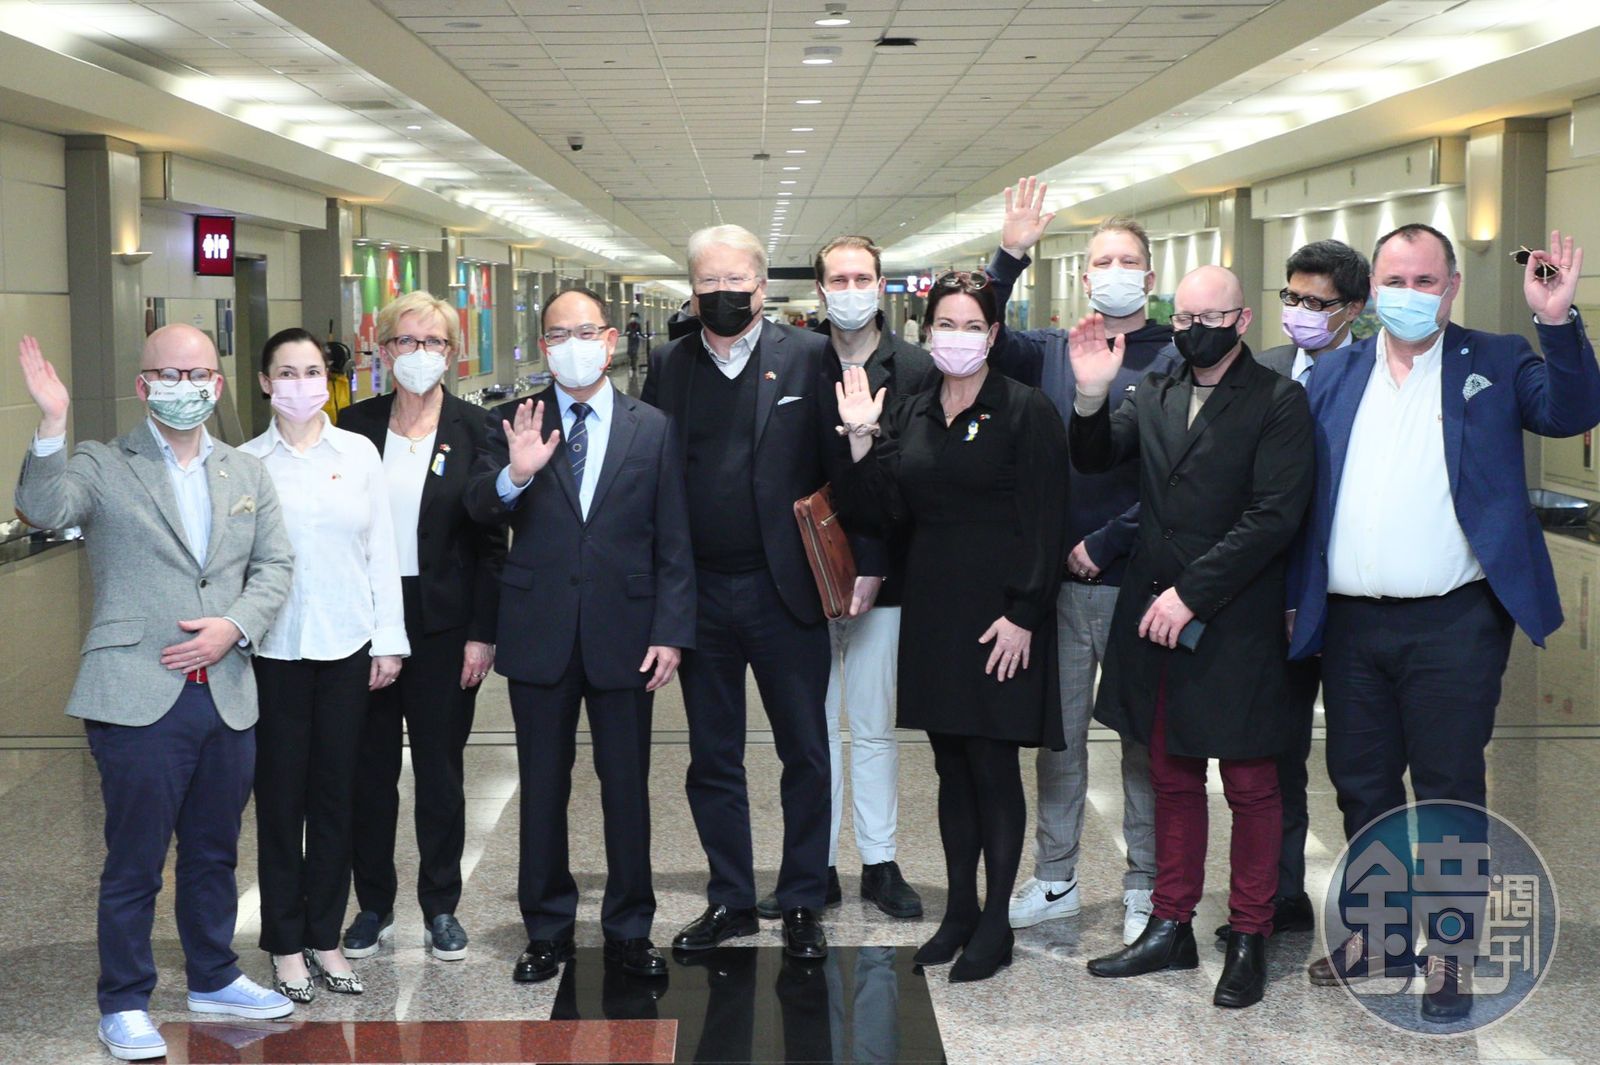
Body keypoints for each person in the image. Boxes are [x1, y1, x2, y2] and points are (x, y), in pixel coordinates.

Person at [1289, 227, 1600, 1020]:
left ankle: (1452, 954)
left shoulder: (1494, 360)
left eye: (1425, 280)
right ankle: (1381, 937)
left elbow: (1572, 410)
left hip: (1454, 623)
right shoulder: (1335, 373)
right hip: (1350, 625)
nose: (1409, 293)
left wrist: (1557, 321)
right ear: (1372, 289)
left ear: (1451, 287)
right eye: (1395, 279)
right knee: (1362, 785)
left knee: (1448, 787)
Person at [14, 326, 296, 1061]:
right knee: (135, 858)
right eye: (167, 373)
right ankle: (124, 999)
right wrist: (51, 421)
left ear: (218, 384)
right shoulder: (104, 463)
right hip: (137, 692)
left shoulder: (245, 471)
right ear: (143, 386)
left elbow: (274, 566)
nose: (184, 385)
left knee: (214, 850)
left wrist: (234, 625)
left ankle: (214, 975)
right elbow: (45, 508)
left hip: (225, 690)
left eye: (197, 373)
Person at [1073, 266, 1314, 1010]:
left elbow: (1273, 516)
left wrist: (1192, 594)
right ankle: (1170, 924)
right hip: (1155, 614)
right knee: (1171, 774)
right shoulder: (1156, 387)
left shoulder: (1277, 399)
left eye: (1210, 317)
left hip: (1234, 617)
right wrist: (1091, 395)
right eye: (1182, 318)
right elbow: (1097, 456)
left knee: (1250, 783)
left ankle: (1249, 932)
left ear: (1242, 321)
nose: (1194, 330)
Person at [641, 224, 881, 961]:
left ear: (762, 286)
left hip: (785, 591)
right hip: (701, 595)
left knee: (804, 748)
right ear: (691, 291)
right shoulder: (670, 364)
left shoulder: (808, 355)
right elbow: (649, 473)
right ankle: (731, 899)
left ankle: (804, 896)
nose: (723, 293)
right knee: (712, 757)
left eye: (736, 281)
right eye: (708, 283)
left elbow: (842, 471)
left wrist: (867, 554)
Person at [835, 270, 1068, 982]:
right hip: (934, 609)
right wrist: (861, 439)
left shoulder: (1025, 409)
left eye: (972, 326)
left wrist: (1024, 614)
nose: (957, 337)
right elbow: (884, 510)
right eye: (945, 324)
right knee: (950, 763)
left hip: (1002, 614)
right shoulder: (911, 410)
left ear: (993, 334)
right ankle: (960, 909)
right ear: (927, 330)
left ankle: (996, 921)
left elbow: (1048, 521)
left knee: (992, 763)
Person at [464, 288, 695, 984]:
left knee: (626, 786)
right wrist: (516, 473)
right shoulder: (512, 421)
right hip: (540, 632)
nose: (574, 345)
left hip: (626, 631)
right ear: (544, 346)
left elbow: (674, 537)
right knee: (541, 786)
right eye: (559, 334)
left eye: (586, 332)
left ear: (611, 340)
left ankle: (629, 927)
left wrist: (671, 630)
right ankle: (546, 928)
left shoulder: (652, 427)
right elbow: (476, 509)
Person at [984, 179, 1172, 946]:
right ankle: (1055, 874)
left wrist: (1110, 541)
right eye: (1102, 261)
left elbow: (1179, 477)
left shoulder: (1175, 357)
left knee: (1142, 745)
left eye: (1128, 261)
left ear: (1149, 278)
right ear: (1084, 277)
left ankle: (1146, 883)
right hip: (1060, 585)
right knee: (1058, 740)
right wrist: (1010, 255)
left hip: (1142, 583)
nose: (1114, 271)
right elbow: (983, 330)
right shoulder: (1052, 351)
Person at [757, 234, 935, 923]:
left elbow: (911, 478)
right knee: (812, 731)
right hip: (804, 575)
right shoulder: (797, 362)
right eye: (839, 279)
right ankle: (816, 864)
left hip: (886, 576)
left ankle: (881, 861)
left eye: (864, 277)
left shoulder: (914, 368)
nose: (852, 289)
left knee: (873, 724)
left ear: (881, 283)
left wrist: (874, 559)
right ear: (821, 289)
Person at [240, 328, 409, 1003]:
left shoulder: (358, 452)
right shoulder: (245, 463)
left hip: (347, 647)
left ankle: (326, 935)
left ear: (329, 379)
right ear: (265, 382)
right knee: (282, 801)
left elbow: (381, 551)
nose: (301, 384)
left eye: (312, 371)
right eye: (286, 372)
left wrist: (388, 639)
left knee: (338, 797)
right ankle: (285, 943)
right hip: (273, 652)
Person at [338, 290, 507, 963]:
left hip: (445, 620)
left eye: (434, 341)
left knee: (440, 770)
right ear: (383, 351)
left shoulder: (478, 427)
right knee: (368, 771)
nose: (420, 353)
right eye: (406, 341)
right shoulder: (352, 426)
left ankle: (441, 906)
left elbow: (492, 542)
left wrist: (482, 633)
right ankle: (373, 904)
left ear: (452, 352)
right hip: (367, 618)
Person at [1208, 239, 1369, 946]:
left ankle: (1374, 919)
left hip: (1352, 594)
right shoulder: (1264, 369)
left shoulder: (1374, 375)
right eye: (1292, 297)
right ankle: (1280, 892)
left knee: (1361, 767)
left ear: (1352, 310)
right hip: (1271, 595)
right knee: (1276, 751)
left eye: (1316, 302)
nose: (1301, 311)